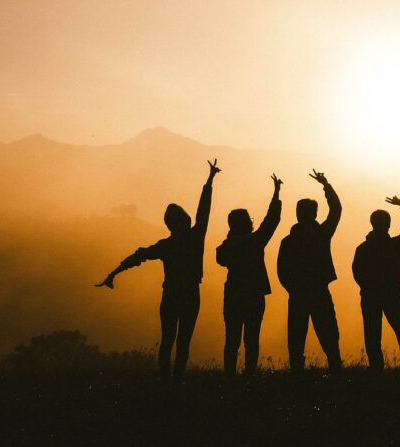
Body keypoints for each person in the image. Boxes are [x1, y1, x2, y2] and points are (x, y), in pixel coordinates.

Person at [95, 159, 221, 383]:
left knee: (167, 340)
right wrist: (209, 181)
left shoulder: (166, 246)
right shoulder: (195, 237)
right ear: (184, 220)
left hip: (171, 294)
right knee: (183, 341)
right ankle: (177, 380)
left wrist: (113, 274)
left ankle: (165, 381)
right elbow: (204, 210)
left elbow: (138, 256)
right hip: (190, 294)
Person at [216, 174, 283, 376]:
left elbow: (221, 260)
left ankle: (229, 376)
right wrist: (277, 193)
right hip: (254, 295)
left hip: (233, 294)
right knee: (251, 339)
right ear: (247, 223)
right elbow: (272, 221)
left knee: (232, 339)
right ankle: (250, 375)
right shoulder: (255, 242)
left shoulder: (224, 248)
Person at [277, 169, 343, 373]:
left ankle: (298, 373)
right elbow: (336, 210)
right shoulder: (321, 234)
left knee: (298, 336)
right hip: (316, 291)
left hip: (299, 293)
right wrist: (326, 185)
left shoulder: (290, 240)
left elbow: (282, 271)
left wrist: (293, 288)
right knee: (327, 334)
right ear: (314, 214)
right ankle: (335, 369)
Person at [351, 196, 400, 373]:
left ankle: (376, 369)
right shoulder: (395, 247)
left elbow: (357, 273)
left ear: (372, 224)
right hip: (392, 296)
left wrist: (368, 287)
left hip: (369, 296)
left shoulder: (363, 249)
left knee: (372, 335)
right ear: (388, 225)